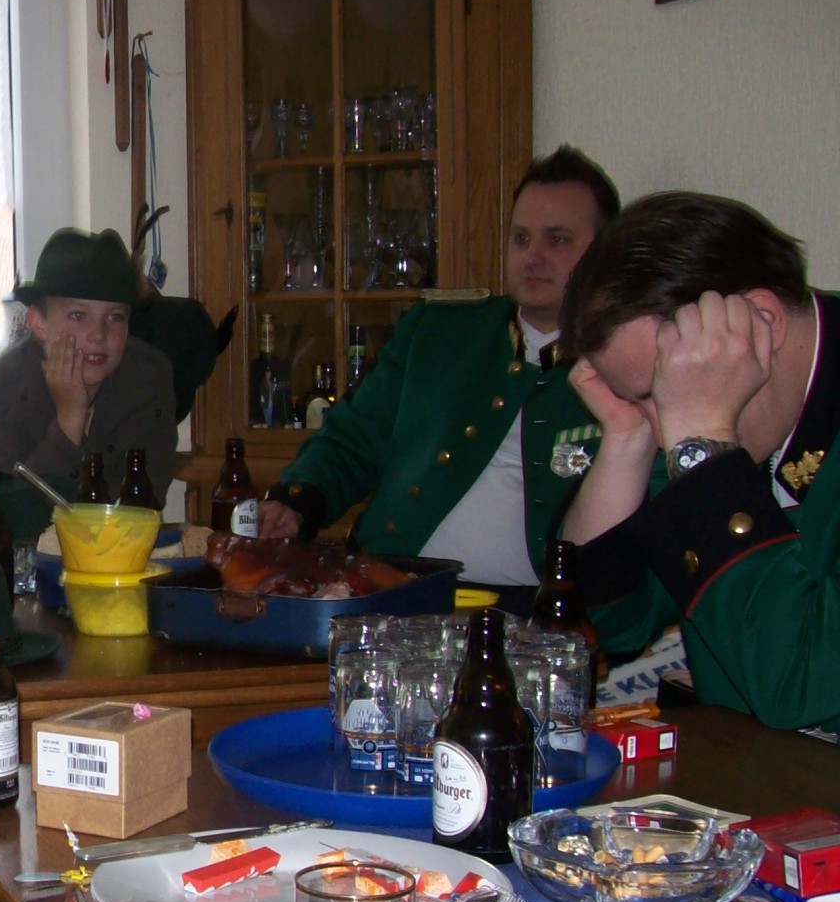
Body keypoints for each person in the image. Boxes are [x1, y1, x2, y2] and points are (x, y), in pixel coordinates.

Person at [258, 145, 621, 599]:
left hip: (532, 611)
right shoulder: (441, 331)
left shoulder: (622, 364)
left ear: (606, 252)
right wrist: (298, 501)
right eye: (521, 238)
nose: (533, 257)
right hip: (389, 586)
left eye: (558, 240)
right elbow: (355, 435)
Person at [559, 192, 840, 731]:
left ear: (761, 322)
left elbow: (797, 684)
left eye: (659, 396)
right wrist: (625, 441)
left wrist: (704, 442)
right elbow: (606, 626)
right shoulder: (713, 416)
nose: (664, 432)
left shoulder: (704, 425)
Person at [0, 225, 179, 514]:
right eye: (78, 315)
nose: (98, 334)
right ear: (39, 323)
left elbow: (144, 503)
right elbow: (14, 513)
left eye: (115, 317)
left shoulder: (149, 377)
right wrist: (70, 417)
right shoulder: (1, 387)